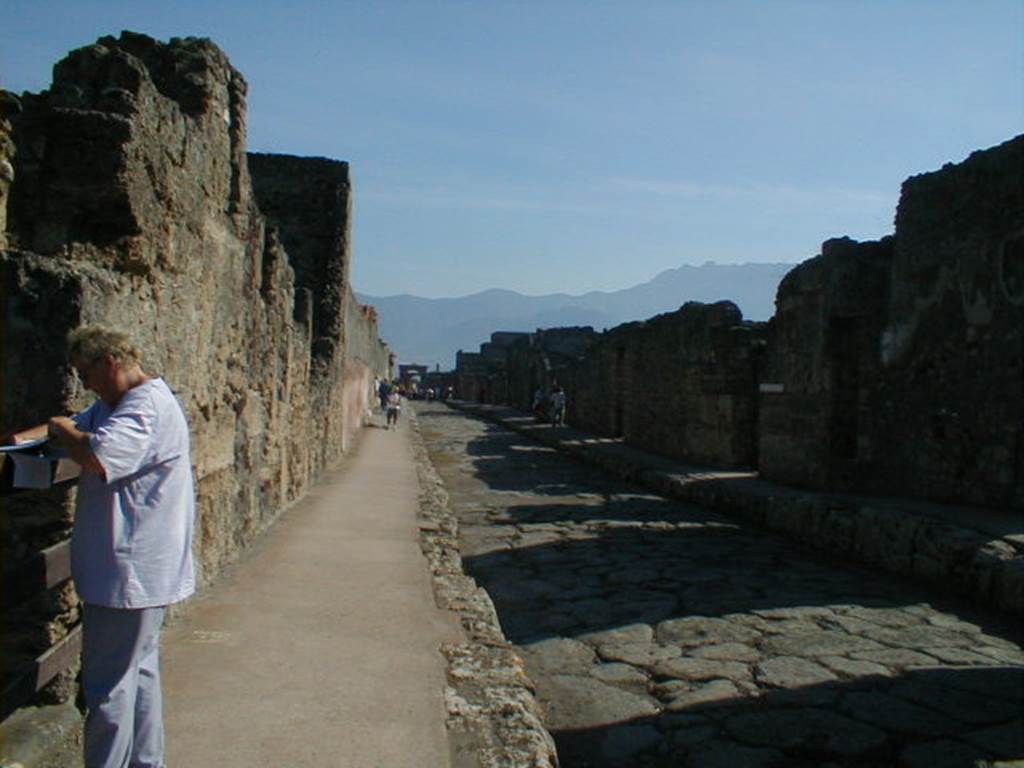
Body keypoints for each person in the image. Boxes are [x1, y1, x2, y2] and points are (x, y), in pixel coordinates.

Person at [12, 325, 195, 768]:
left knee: (108, 689)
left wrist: (60, 429)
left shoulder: (142, 411)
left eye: (85, 374)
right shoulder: (124, 403)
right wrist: (23, 441)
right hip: (143, 573)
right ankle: (146, 763)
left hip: (128, 575)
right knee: (141, 674)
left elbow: (97, 455)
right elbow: (78, 426)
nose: (84, 384)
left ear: (108, 364)